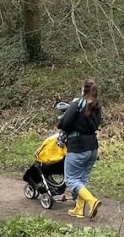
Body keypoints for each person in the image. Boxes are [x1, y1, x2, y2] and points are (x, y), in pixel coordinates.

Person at [59, 78, 101, 219]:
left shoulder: (77, 103)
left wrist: (61, 121)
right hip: (93, 148)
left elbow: (64, 123)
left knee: (71, 179)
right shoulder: (97, 105)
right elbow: (96, 125)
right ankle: (78, 209)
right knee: (81, 179)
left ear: (83, 90)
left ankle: (92, 201)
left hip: (78, 146)